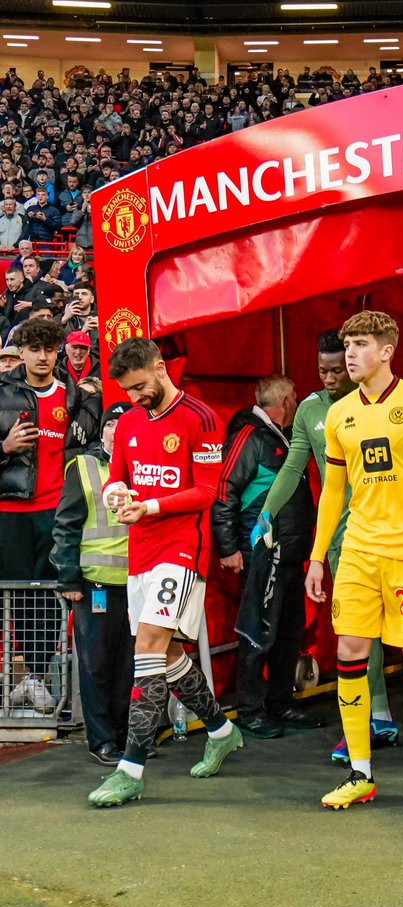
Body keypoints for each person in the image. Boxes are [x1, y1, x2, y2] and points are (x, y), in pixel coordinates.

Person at [303, 310, 403, 810]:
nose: (350, 354)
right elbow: (334, 490)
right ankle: (360, 772)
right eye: (347, 345)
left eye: (360, 344)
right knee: (350, 649)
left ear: (387, 350)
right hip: (358, 550)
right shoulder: (339, 414)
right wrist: (317, 557)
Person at [87, 337, 243, 808]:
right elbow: (118, 474)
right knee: (169, 655)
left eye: (139, 386)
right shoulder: (131, 420)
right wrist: (117, 493)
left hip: (181, 550)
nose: (134, 397)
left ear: (160, 368)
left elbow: (207, 491)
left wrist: (149, 504)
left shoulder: (201, 418)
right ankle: (221, 729)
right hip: (141, 552)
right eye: (128, 390)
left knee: (148, 648)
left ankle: (130, 768)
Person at [255, 329, 400, 761]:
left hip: (394, 530)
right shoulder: (311, 412)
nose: (332, 377)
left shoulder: (382, 403)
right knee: (356, 631)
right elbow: (295, 465)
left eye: (339, 369)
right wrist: (268, 510)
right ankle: (373, 720)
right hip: (343, 535)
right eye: (323, 370)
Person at [211, 375, 317, 738]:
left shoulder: (279, 435)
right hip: (261, 555)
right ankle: (251, 710)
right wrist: (228, 549)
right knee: (259, 633)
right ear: (287, 402)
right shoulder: (249, 436)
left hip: (289, 554)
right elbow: (223, 492)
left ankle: (279, 703)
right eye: (297, 398)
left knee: (288, 634)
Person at [0, 317, 92, 711]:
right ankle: (14, 679)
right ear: (20, 352)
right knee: (13, 597)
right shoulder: (2, 394)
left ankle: (36, 679)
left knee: (47, 599)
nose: (42, 356)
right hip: (9, 509)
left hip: (55, 511)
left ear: (58, 353)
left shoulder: (73, 397)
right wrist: (3, 448)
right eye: (34, 349)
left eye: (49, 349)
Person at [51, 402, 134, 765]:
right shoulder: (84, 467)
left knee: (130, 667)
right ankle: (102, 741)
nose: (118, 430)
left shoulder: (141, 468)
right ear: (102, 430)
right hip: (95, 583)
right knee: (97, 666)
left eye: (125, 423)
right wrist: (69, 578)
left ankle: (123, 737)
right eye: (112, 423)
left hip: (138, 583)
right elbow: (66, 525)